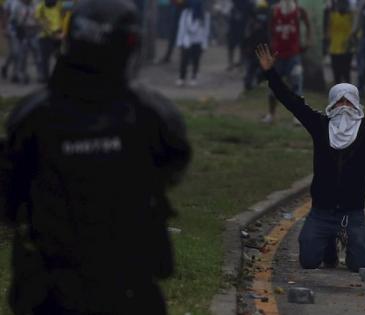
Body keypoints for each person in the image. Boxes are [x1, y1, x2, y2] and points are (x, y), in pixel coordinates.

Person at [0, 0, 191, 313]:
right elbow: (173, 167)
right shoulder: (152, 116)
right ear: (129, 46)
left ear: (70, 38)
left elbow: (9, 200)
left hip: (51, 289)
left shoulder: (32, 116)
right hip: (125, 285)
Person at [255, 43, 365, 271]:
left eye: (349, 101)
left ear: (357, 104)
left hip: (352, 212)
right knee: (308, 260)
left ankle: (344, 239)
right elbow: (291, 101)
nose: (344, 106)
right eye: (339, 101)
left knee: (359, 266)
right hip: (321, 211)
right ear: (331, 104)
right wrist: (270, 73)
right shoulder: (320, 125)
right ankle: (329, 243)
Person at [262, 0, 311, 124]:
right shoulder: (274, 10)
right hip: (277, 56)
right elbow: (269, 28)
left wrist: (308, 40)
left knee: (297, 84)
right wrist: (271, 44)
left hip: (293, 55)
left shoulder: (299, 11)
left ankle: (298, 115)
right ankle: (271, 114)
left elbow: (308, 24)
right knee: (274, 86)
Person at [175, 0, 210, 87]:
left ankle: (194, 77)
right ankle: (182, 78)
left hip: (198, 41)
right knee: (184, 60)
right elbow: (181, 28)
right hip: (186, 41)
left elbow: (206, 31)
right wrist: (179, 42)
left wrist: (204, 44)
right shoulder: (185, 13)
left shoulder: (205, 16)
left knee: (196, 60)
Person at [324, 0, 354, 84]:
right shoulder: (333, 16)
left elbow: (354, 32)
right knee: (337, 74)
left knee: (346, 73)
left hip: (347, 49)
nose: (342, 6)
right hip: (335, 49)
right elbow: (328, 31)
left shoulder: (351, 16)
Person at [35, 0, 63, 82]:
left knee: (58, 56)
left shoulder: (58, 4)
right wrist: (51, 33)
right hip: (45, 36)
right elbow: (39, 21)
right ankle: (45, 78)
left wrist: (61, 32)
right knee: (45, 58)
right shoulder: (41, 7)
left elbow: (62, 16)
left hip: (58, 34)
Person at [243, 0, 268, 91]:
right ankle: (249, 84)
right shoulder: (253, 22)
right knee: (253, 68)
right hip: (256, 48)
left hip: (257, 48)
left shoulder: (255, 22)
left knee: (255, 68)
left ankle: (253, 83)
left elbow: (247, 36)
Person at [227, 0, 251, 70]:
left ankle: (241, 64)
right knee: (231, 46)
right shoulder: (233, 3)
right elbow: (229, 14)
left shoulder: (247, 3)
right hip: (233, 27)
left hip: (242, 27)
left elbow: (250, 16)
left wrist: (247, 28)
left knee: (242, 46)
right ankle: (230, 64)